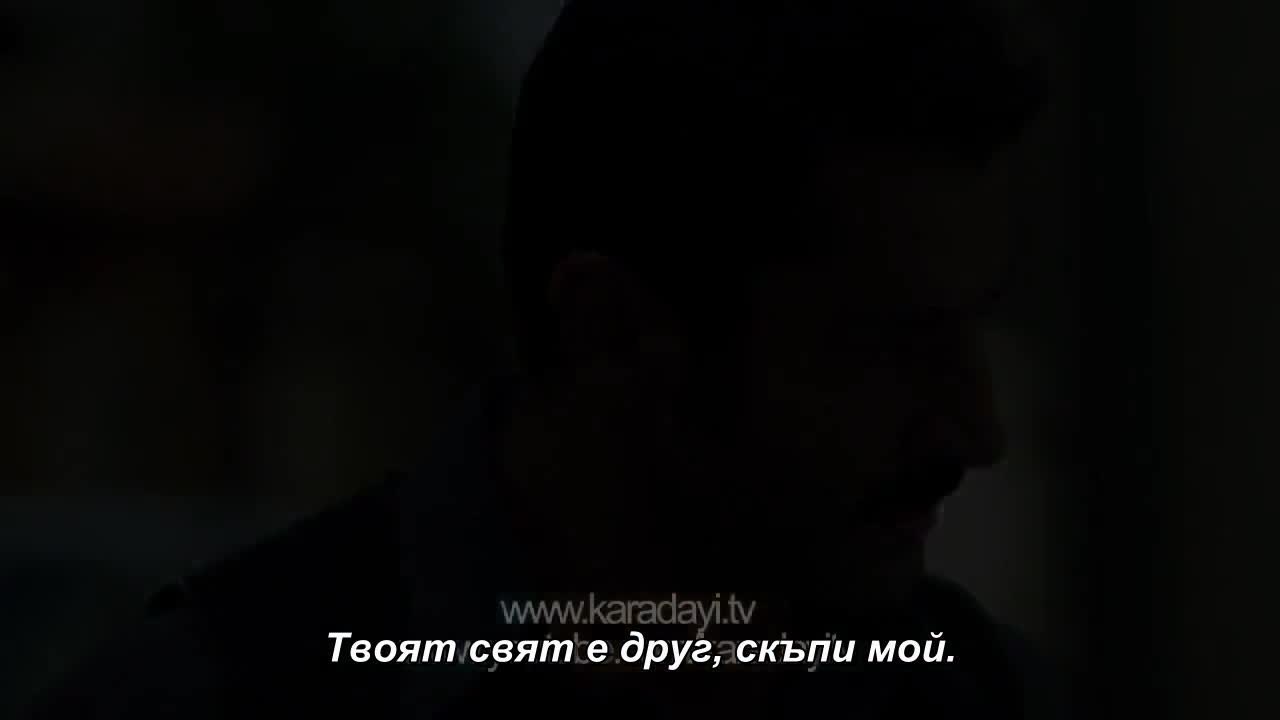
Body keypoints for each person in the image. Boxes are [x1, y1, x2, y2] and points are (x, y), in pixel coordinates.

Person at [28, 1, 1065, 717]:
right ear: (615, 334)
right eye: (884, 346)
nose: (976, 430)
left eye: (973, 331)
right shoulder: (211, 701)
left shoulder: (978, 699)